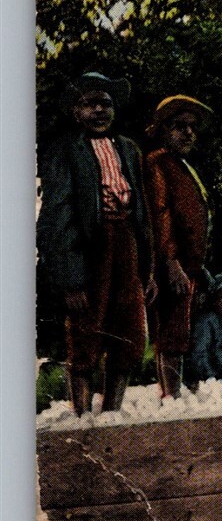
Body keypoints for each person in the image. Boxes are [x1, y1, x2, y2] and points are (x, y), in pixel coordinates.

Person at [39, 72, 153, 416]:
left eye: (105, 103)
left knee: (129, 330)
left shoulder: (129, 149)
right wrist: (71, 279)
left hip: (127, 245)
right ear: (76, 111)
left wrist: (146, 269)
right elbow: (57, 217)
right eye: (90, 104)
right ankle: (80, 416)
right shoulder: (65, 150)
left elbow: (142, 213)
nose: (99, 111)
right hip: (91, 248)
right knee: (86, 330)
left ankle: (112, 413)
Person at [142, 95, 214, 398]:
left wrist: (199, 266)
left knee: (184, 330)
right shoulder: (157, 163)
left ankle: (179, 391)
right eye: (179, 126)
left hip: (190, 265)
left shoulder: (184, 167)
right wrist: (171, 263)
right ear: (162, 130)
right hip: (171, 266)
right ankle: (169, 395)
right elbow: (160, 214)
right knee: (171, 332)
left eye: (192, 127)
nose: (187, 133)